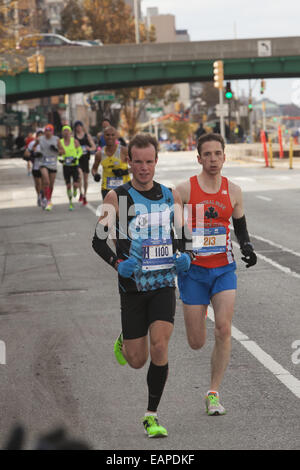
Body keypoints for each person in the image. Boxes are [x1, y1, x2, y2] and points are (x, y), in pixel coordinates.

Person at [92, 134, 192, 438]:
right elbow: (97, 240)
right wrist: (118, 265)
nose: (144, 168)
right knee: (137, 360)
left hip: (163, 283)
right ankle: (127, 338)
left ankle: (151, 415)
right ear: (129, 162)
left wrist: (186, 254)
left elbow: (183, 235)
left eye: (149, 161)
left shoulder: (170, 195)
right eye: (138, 162)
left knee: (160, 345)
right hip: (133, 287)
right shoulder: (116, 198)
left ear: (156, 161)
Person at [176, 133, 257, 416]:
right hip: (193, 273)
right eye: (207, 154)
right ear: (198, 158)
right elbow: (174, 229)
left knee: (223, 328)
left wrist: (246, 246)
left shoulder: (233, 190)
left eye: (217, 154)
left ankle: (213, 392)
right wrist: (183, 250)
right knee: (196, 342)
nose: (212, 159)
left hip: (224, 269)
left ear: (225, 156)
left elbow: (240, 225)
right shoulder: (183, 190)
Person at [92, 126, 130, 200]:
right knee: (110, 211)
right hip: (107, 189)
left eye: (112, 135)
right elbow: (94, 169)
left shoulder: (124, 151)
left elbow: (137, 166)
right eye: (107, 135)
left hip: (123, 189)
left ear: (116, 136)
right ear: (103, 136)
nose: (110, 137)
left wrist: (124, 172)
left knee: (123, 211)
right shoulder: (99, 154)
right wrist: (95, 175)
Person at [34, 123, 64, 211]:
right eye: (46, 131)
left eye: (49, 131)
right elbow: (33, 147)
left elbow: (63, 151)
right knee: (46, 181)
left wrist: (57, 150)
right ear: (44, 132)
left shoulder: (56, 139)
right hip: (43, 163)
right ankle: (47, 201)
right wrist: (35, 152)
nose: (48, 133)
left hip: (53, 164)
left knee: (51, 185)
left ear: (52, 132)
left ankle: (47, 197)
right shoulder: (40, 139)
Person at [59, 125, 83, 211]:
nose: (66, 132)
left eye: (67, 130)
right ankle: (70, 203)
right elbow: (59, 153)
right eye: (64, 130)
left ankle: (76, 190)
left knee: (75, 184)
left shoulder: (74, 141)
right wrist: (60, 159)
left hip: (74, 165)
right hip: (66, 166)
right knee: (68, 186)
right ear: (62, 133)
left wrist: (76, 157)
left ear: (70, 132)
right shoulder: (60, 142)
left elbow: (80, 151)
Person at [74, 121, 96, 206]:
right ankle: (81, 193)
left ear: (82, 127)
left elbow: (94, 146)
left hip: (85, 159)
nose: (78, 128)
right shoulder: (74, 137)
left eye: (80, 126)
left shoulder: (87, 136)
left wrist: (89, 148)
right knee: (79, 176)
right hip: (78, 159)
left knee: (85, 179)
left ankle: (85, 195)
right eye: (77, 126)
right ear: (75, 128)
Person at [23, 128, 44, 207]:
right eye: (39, 135)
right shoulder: (32, 143)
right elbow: (26, 153)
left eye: (41, 135)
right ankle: (38, 195)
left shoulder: (46, 143)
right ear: (36, 136)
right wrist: (32, 154)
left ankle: (42, 196)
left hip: (44, 166)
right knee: (37, 183)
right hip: (35, 166)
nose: (40, 137)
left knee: (43, 183)